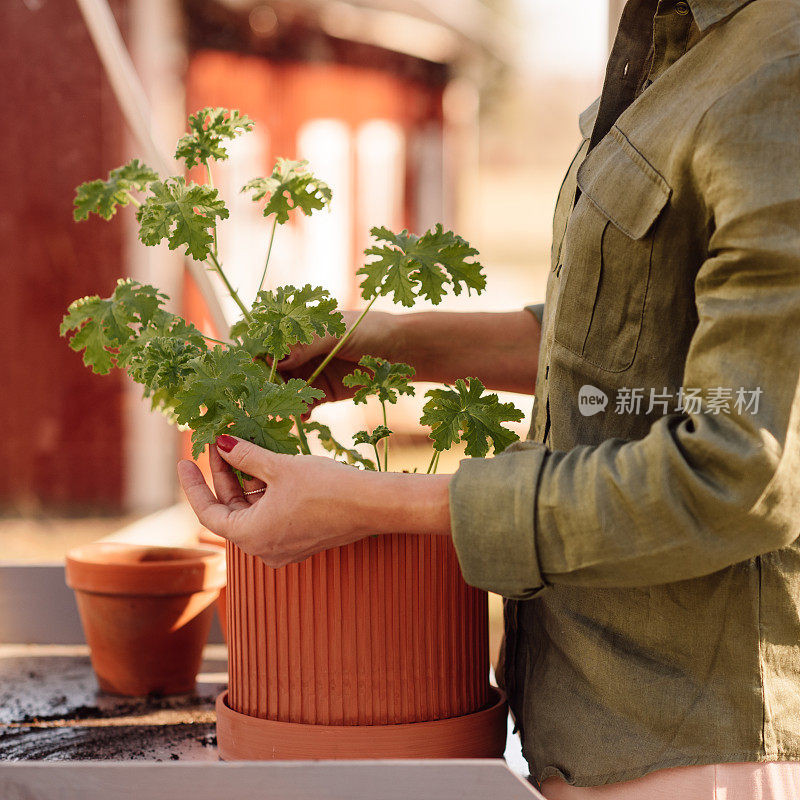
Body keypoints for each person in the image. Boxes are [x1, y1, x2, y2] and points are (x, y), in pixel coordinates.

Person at [178, 0, 800, 796]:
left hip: (702, 751)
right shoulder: (664, 34)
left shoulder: (778, 71)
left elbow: (737, 479)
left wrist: (381, 506)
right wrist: (387, 342)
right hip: (585, 729)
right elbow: (639, 342)